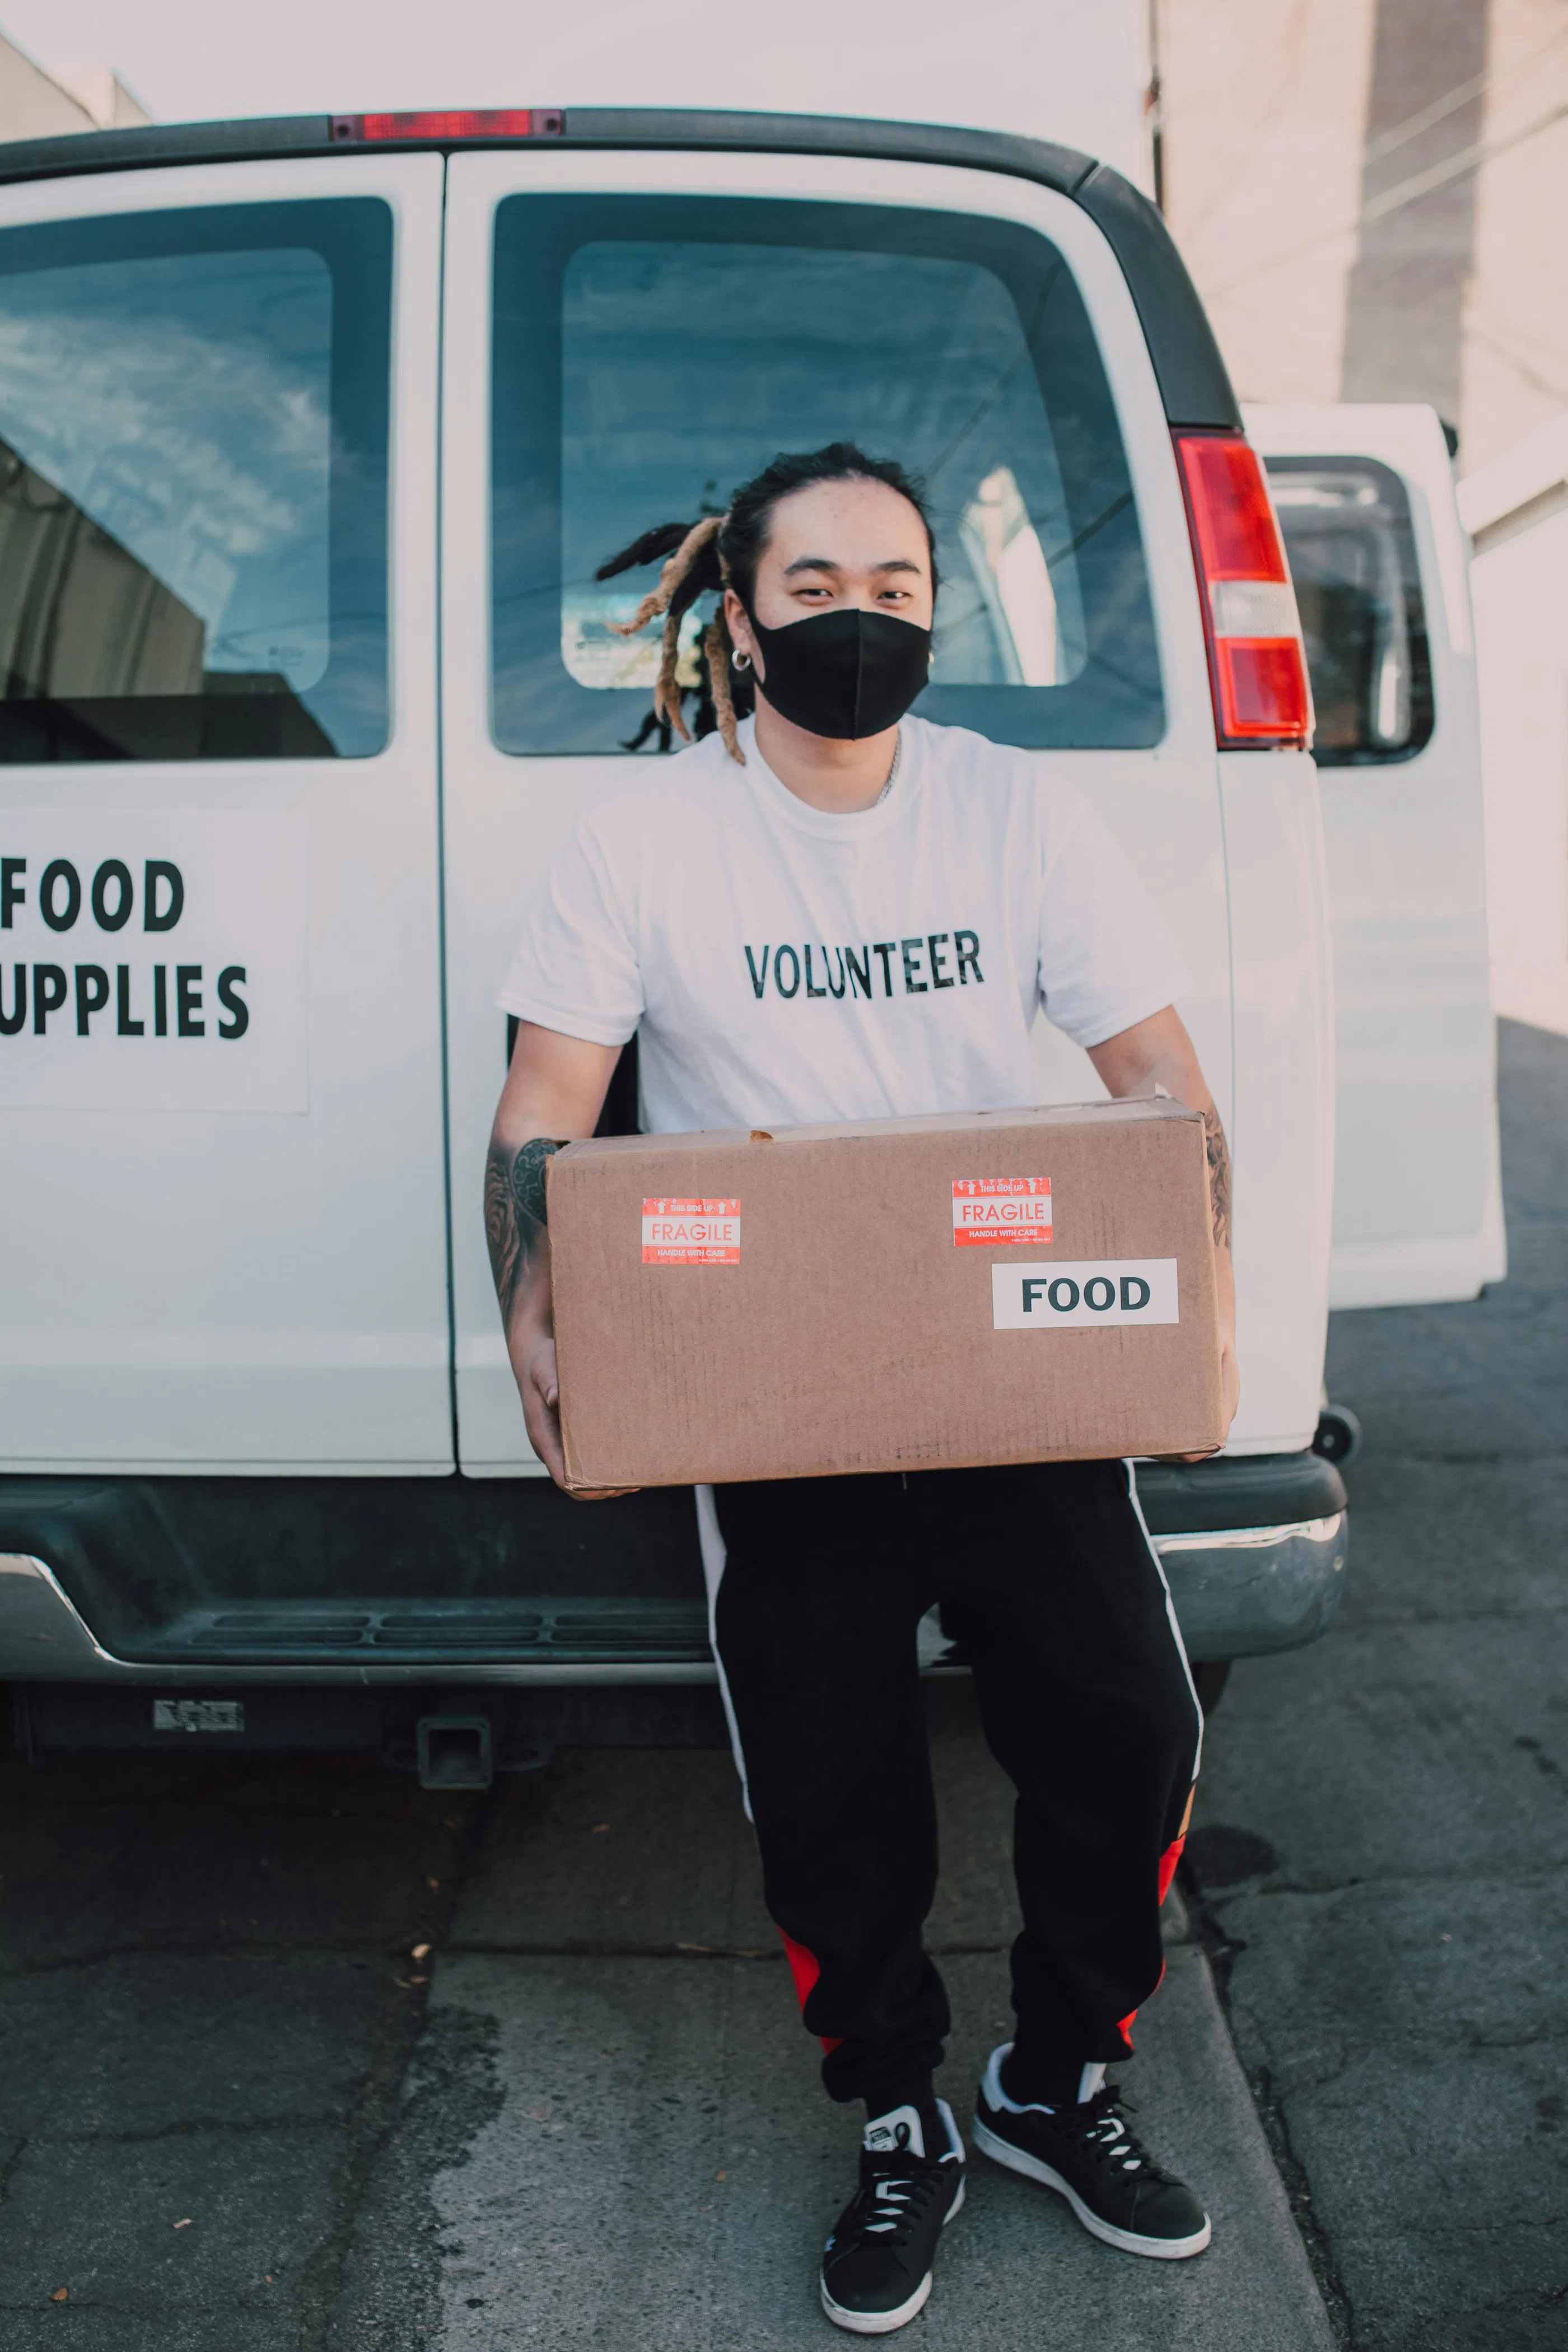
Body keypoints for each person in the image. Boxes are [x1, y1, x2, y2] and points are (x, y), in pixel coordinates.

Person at [486, 444, 1239, 2336]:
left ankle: (1054, 2086)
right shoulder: (644, 840)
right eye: (814, 588)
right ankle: (898, 2106)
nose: (860, 620)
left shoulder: (1014, 812)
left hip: (1010, 1380)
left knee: (1130, 1726)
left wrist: (1191, 1292)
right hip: (779, 1397)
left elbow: (1162, 1084)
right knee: (835, 1791)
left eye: (896, 587)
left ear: (934, 612)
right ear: (739, 617)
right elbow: (543, 1116)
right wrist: (535, 1310)